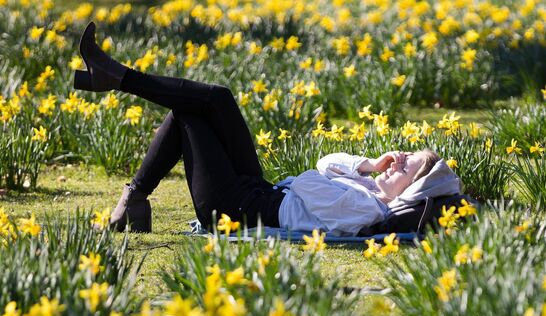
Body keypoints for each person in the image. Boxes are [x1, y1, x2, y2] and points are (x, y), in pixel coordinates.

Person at [74, 22, 461, 236]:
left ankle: (133, 190)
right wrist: (369, 166)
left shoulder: (366, 207)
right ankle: (118, 79)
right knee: (217, 98)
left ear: (410, 191)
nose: (398, 160)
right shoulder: (368, 187)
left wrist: (364, 184)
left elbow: (311, 179)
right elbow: (327, 161)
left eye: (406, 166)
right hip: (258, 192)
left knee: (186, 115)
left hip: (235, 211)